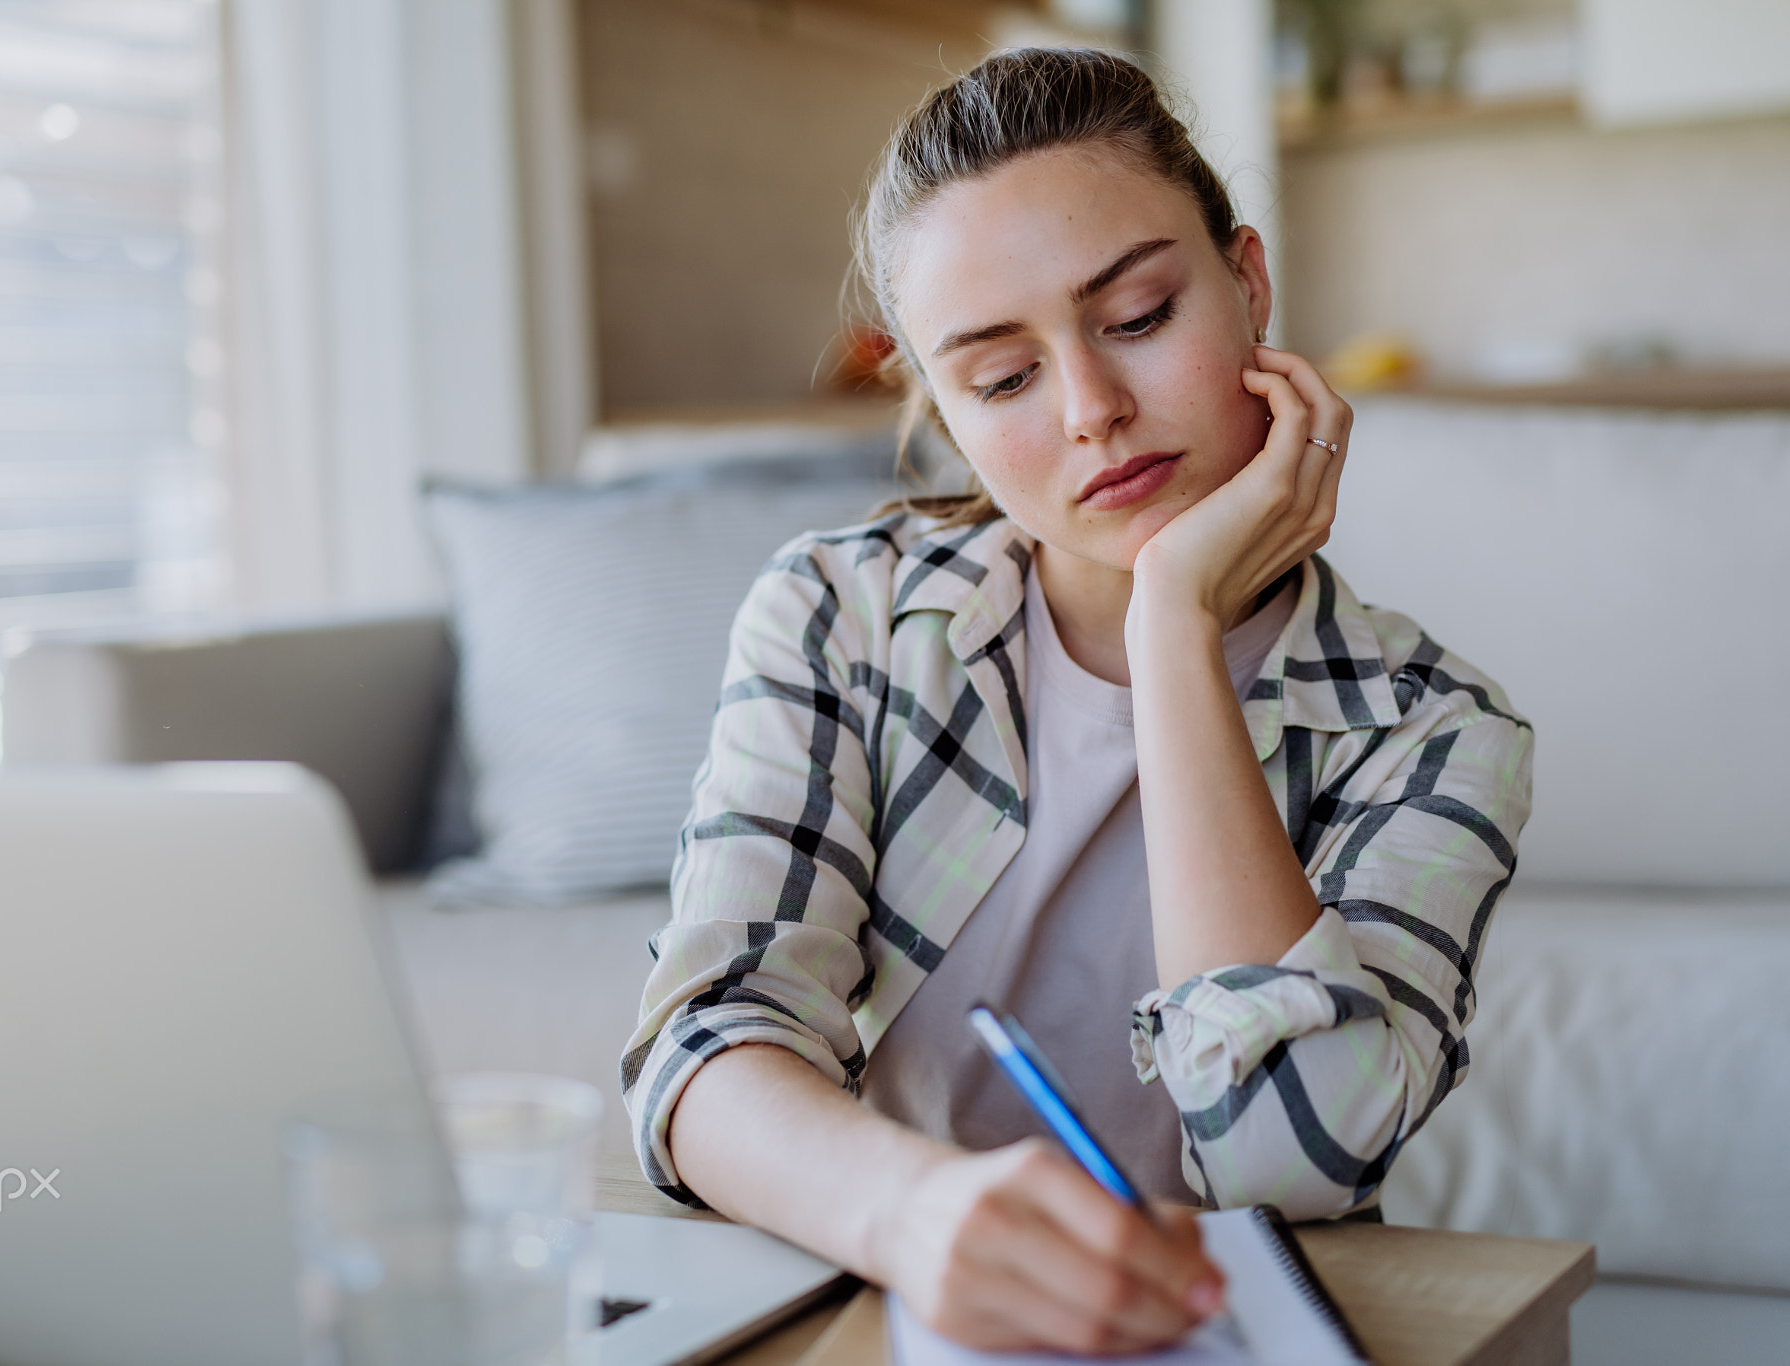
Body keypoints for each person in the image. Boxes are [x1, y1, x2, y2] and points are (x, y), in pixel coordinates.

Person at [621, 47, 1533, 1356]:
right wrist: (921, 1213)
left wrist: (1176, 624)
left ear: (1250, 284)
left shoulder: (1435, 730)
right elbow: (703, 1049)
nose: (1095, 411)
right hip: (899, 1308)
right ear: (942, 403)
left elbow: (1296, 1159)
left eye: (1143, 315)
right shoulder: (840, 616)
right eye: (1002, 379)